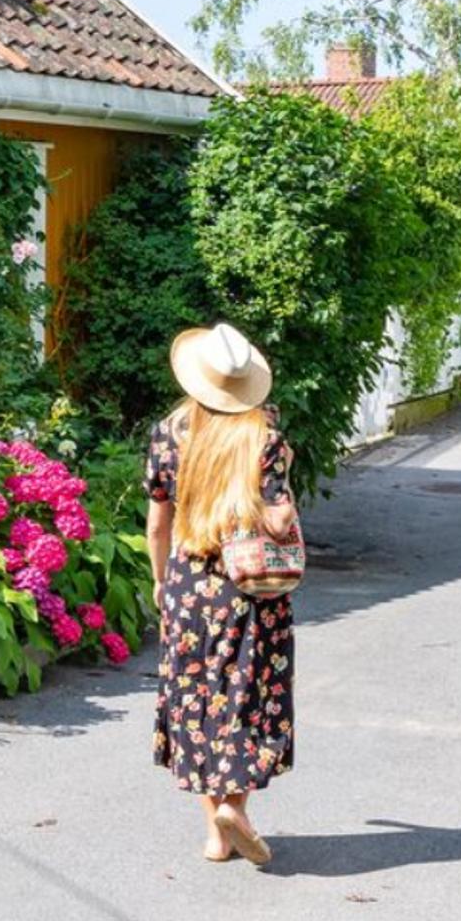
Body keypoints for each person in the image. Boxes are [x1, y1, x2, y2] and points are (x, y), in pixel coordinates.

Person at [145, 322, 300, 865]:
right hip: (251, 590)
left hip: (189, 586)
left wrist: (162, 583)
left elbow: (158, 524)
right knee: (247, 699)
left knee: (198, 701)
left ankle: (216, 831)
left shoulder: (169, 434)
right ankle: (236, 806)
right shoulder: (266, 439)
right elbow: (280, 518)